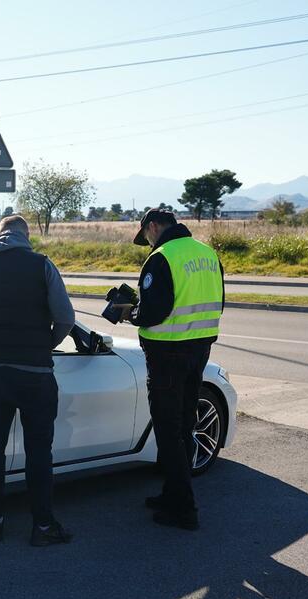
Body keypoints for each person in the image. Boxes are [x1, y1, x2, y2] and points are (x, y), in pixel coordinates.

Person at [0, 214, 75, 546]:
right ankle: (43, 527)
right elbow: (66, 318)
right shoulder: (41, 265)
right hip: (35, 373)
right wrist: (45, 343)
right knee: (39, 452)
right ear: (26, 235)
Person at [114, 209, 224, 531]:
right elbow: (218, 303)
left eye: (145, 235)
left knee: (168, 430)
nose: (146, 241)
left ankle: (184, 508)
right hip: (199, 350)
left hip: (167, 355)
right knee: (186, 423)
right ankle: (172, 492)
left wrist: (130, 313)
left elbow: (154, 312)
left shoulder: (161, 257)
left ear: (152, 227)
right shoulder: (207, 254)